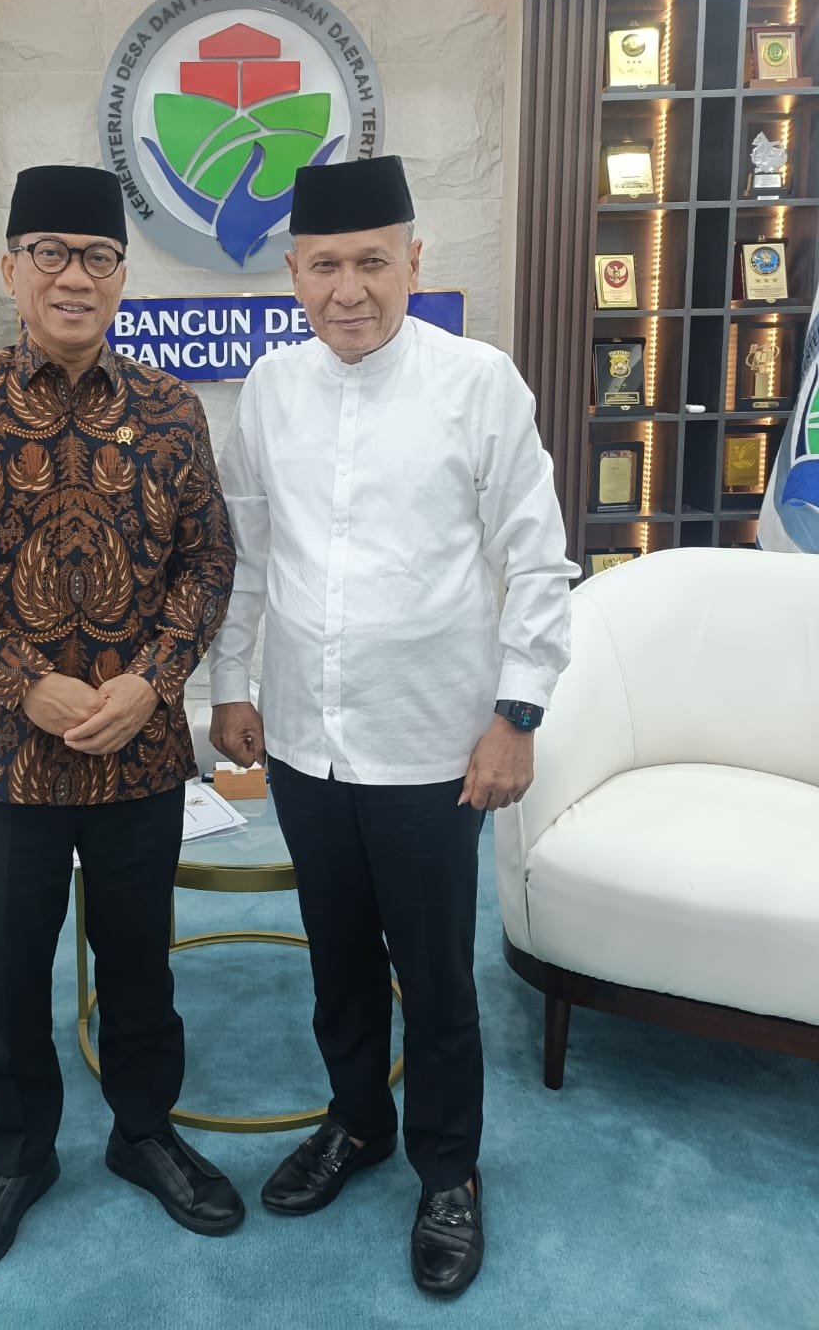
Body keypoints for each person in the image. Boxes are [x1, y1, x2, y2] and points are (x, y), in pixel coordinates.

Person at [208, 155, 577, 1297]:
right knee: (336, 964)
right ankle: (358, 1122)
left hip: (432, 747)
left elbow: (538, 561)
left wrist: (517, 715)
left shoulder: (479, 382)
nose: (349, 289)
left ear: (414, 260)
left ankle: (449, 1172)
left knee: (436, 977)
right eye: (325, 266)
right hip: (305, 742)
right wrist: (229, 685)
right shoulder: (269, 387)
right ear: (292, 273)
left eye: (372, 262)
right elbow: (249, 555)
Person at [0, 164, 242, 1281]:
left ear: (122, 277)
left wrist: (154, 681)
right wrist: (19, 678)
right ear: (12, 269)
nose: (73, 276)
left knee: (141, 967)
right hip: (1, 757)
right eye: (50, 253)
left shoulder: (171, 408)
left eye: (95, 257)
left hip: (138, 753)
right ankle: (18, 1157)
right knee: (10, 978)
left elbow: (209, 560)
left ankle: (144, 1133)